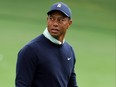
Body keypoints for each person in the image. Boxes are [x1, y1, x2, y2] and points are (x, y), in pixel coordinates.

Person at [15, 2, 78, 87]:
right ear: (47, 20)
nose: (55, 23)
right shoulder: (30, 50)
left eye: (60, 20)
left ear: (69, 23)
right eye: (51, 19)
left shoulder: (69, 51)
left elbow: (72, 84)